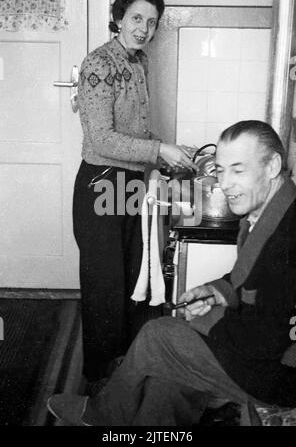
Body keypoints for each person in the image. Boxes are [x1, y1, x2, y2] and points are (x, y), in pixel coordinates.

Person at [48, 120, 296, 425]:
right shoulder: (271, 210)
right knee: (170, 376)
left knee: (159, 336)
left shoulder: (288, 240)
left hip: (280, 376)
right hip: (262, 350)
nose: (225, 183)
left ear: (272, 165)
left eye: (238, 170)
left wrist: (206, 322)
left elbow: (265, 341)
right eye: (220, 170)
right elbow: (248, 279)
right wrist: (217, 291)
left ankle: (107, 413)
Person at [73, 0, 196, 385]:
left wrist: (167, 154)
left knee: (130, 271)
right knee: (104, 282)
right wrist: (159, 148)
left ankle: (125, 362)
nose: (144, 28)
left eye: (152, 22)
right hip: (101, 183)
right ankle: (98, 375)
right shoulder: (97, 64)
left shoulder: (138, 61)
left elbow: (135, 130)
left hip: (129, 182)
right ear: (120, 17)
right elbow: (102, 138)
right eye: (138, 18)